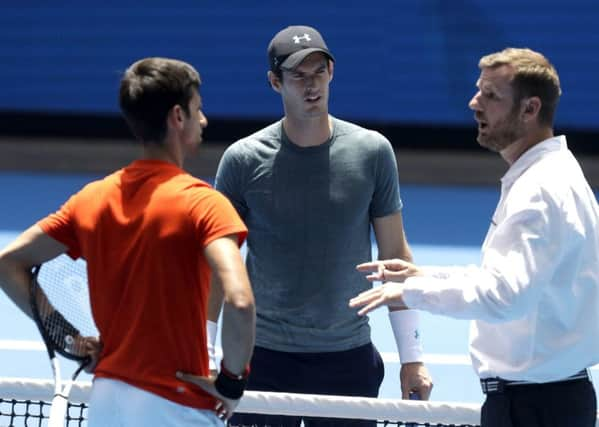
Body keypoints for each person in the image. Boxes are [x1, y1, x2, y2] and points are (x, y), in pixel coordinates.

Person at [350, 47, 599, 427]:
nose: (474, 103)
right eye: (478, 91)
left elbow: (503, 296)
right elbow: (504, 280)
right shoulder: (553, 174)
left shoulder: (538, 190)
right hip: (547, 400)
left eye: (491, 96)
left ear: (530, 109)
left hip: (533, 408)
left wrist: (409, 293)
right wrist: (424, 277)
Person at [0, 57, 256, 426]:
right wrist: (232, 383)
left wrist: (69, 338)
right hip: (177, 407)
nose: (204, 120)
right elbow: (241, 300)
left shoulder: (92, 199)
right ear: (177, 117)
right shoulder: (205, 204)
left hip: (107, 405)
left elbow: (8, 262)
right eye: (197, 109)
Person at [210, 25, 432, 427]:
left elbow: (395, 257)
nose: (311, 85)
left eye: (319, 72)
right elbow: (215, 264)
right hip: (262, 358)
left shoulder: (373, 152)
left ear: (331, 73)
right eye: (298, 75)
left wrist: (412, 359)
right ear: (275, 82)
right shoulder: (242, 160)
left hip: (347, 360)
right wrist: (207, 357)